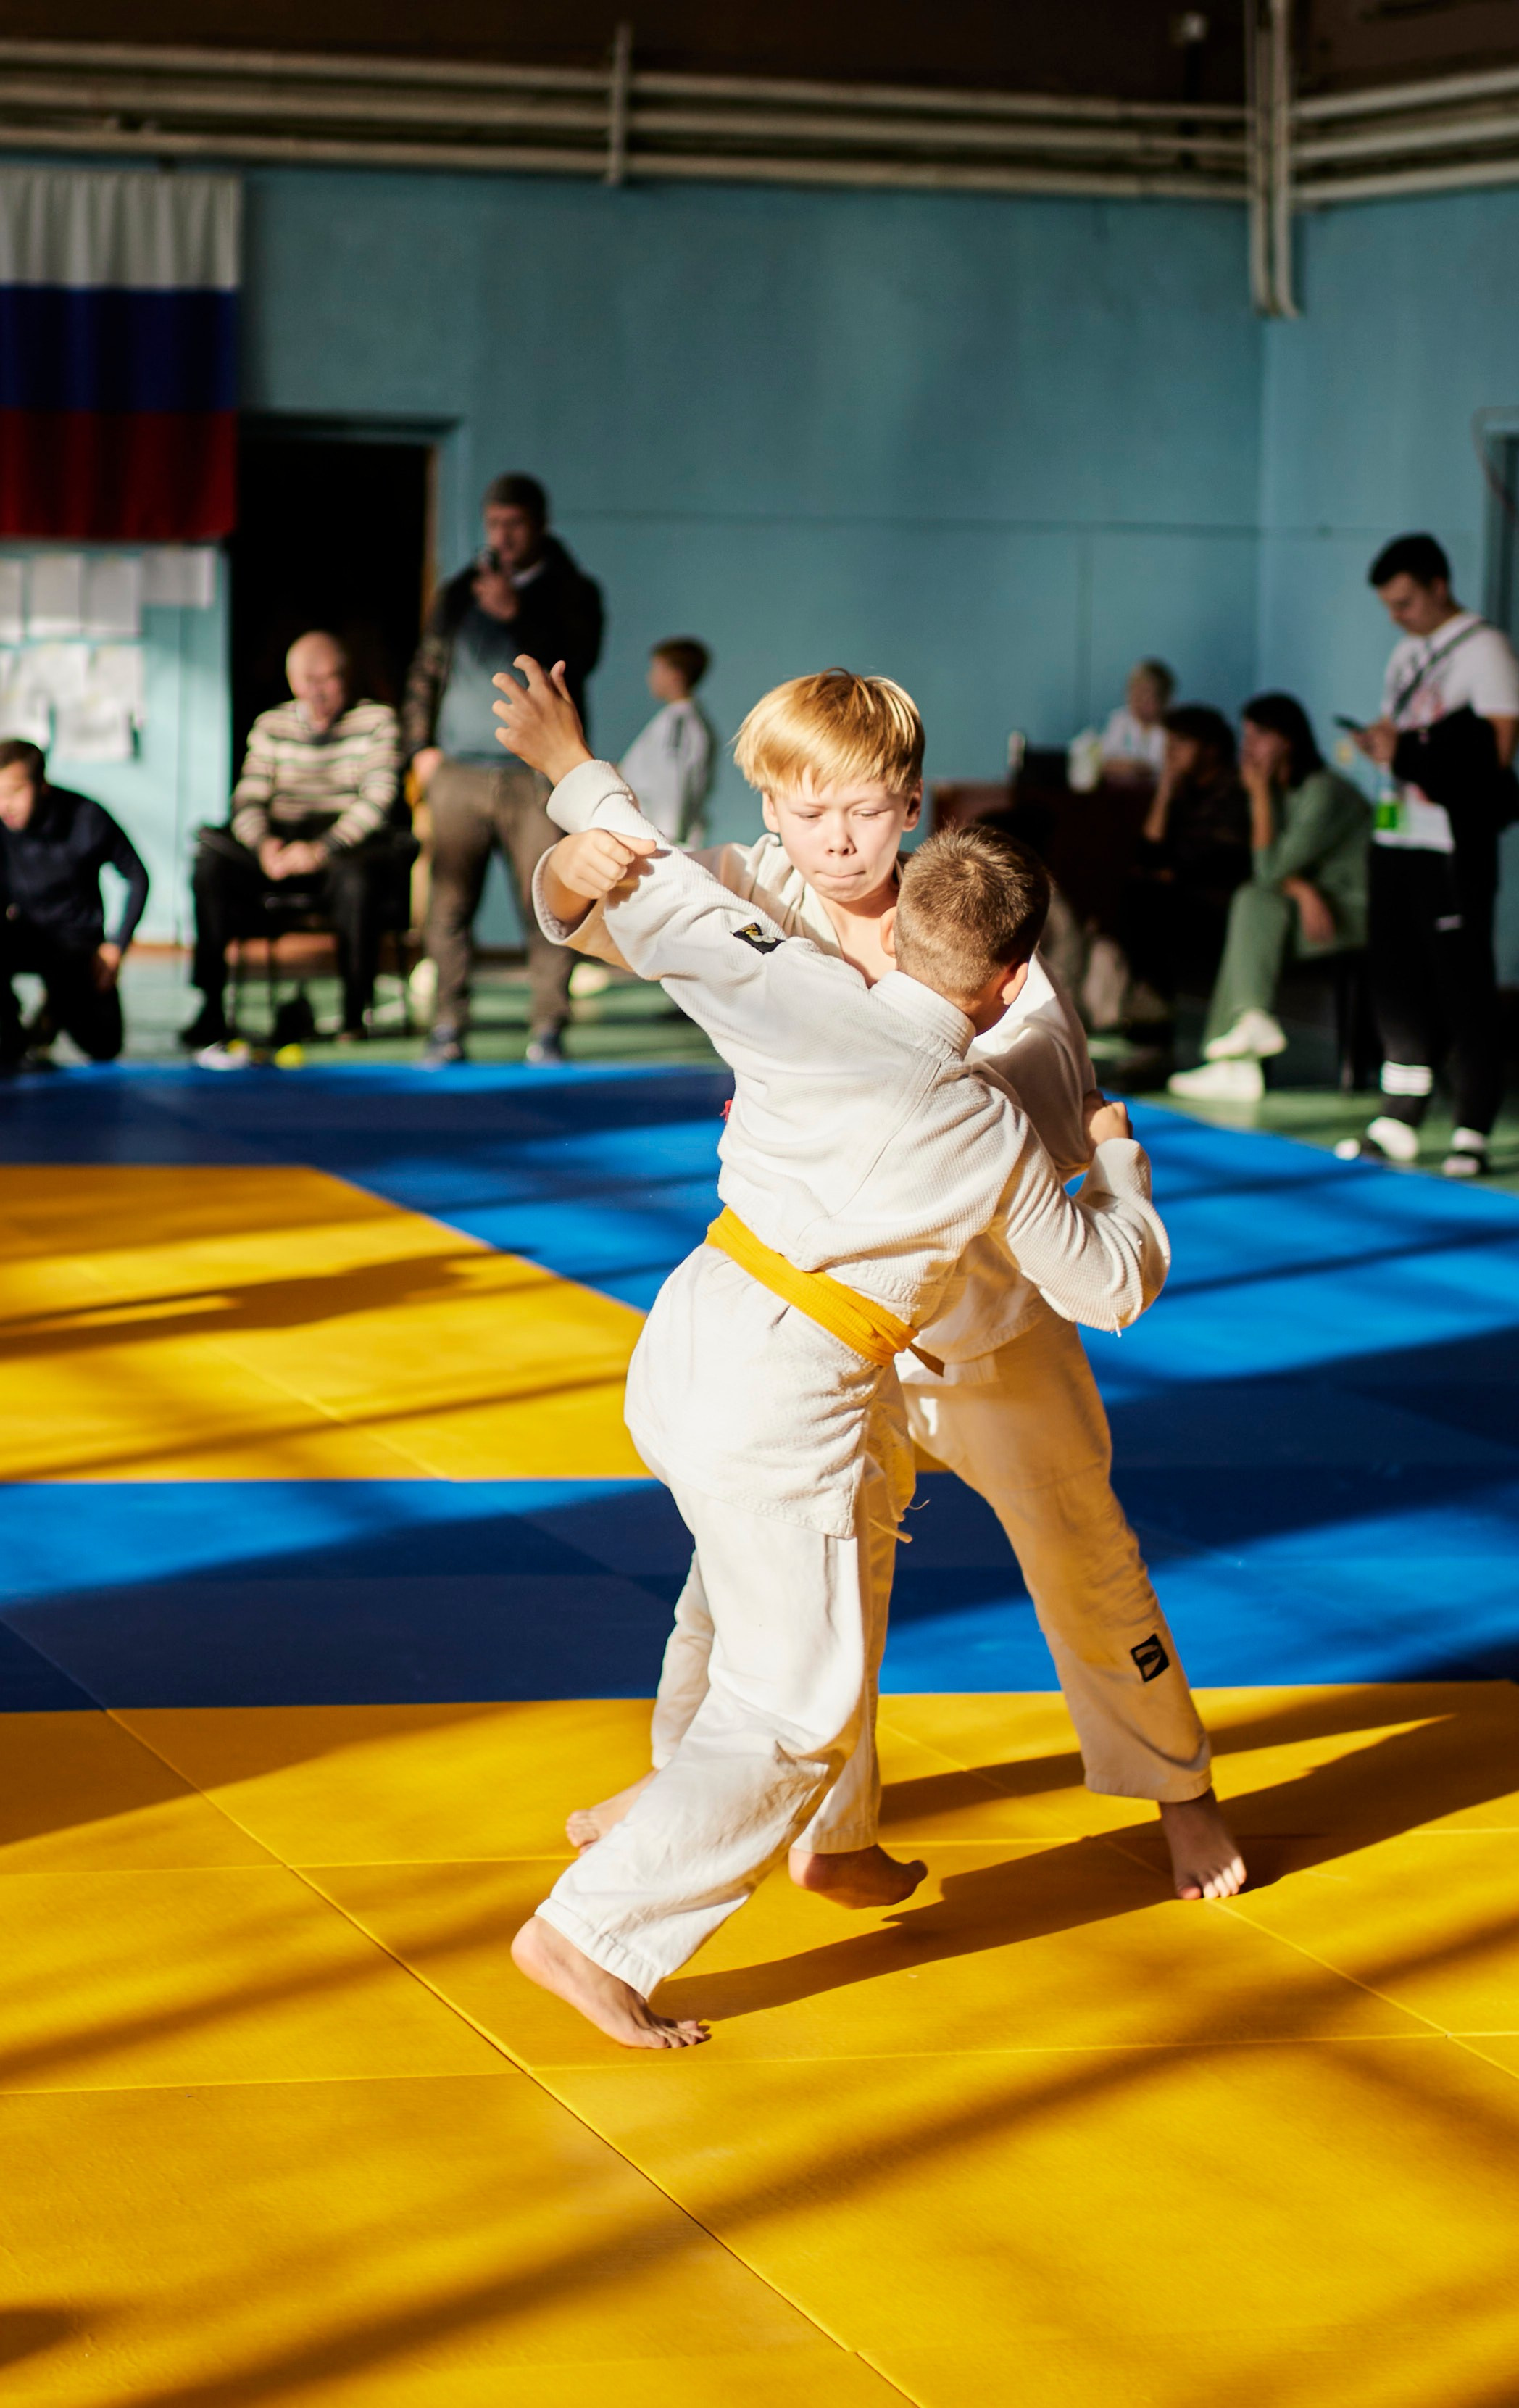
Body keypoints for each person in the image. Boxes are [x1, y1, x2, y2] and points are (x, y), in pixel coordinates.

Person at [553, 669, 1241, 1911]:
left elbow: (1032, 1145)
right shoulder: (752, 885)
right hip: (825, 1342)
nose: (834, 839)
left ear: (911, 807)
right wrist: (572, 861)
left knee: (1083, 1550)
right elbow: (606, 907)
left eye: (864, 812)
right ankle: (784, 1818)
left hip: (988, 1319)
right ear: (767, 807)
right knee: (775, 1575)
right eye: (804, 812)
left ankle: (1179, 1789)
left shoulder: (998, 961)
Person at [404, 473, 604, 1066]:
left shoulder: (574, 590)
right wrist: (420, 747)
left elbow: (580, 661)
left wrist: (518, 614)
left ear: (540, 526)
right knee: (448, 905)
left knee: (547, 902)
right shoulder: (461, 590)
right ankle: (448, 1023)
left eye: (515, 524)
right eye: (494, 524)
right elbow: (426, 669)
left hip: (535, 777)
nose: (503, 536)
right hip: (458, 773)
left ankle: (547, 1027)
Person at [1339, 533, 1519, 1179]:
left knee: (1463, 983)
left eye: (1407, 601)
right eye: (1389, 605)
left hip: (1450, 848)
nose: (1398, 615)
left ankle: (1473, 1121)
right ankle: (1401, 1112)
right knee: (1397, 982)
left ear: (1439, 586)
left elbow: (1491, 760)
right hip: (1397, 836)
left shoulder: (1486, 650)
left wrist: (1409, 752)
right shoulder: (1406, 651)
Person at [183, 632, 407, 1052]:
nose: (318, 692)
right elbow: (248, 798)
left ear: (347, 677)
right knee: (209, 867)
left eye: (329, 679)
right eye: (308, 680)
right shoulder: (272, 725)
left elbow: (377, 800)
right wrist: (264, 845)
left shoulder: (377, 721)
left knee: (361, 881)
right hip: (277, 842)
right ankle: (210, 1006)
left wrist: (322, 850)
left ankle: (353, 1011)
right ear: (292, 681)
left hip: (343, 846)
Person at [1168, 694, 1370, 1103]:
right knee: (1252, 907)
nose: (1249, 747)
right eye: (1246, 736)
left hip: (1349, 912)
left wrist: (1258, 796)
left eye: (1260, 736)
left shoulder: (1324, 792)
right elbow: (1274, 875)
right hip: (1306, 907)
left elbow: (1269, 872)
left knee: (1252, 906)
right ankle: (1246, 1034)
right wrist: (1301, 888)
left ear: (1289, 741)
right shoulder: (1280, 791)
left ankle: (1238, 1059)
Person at [0, 738, 148, 1068]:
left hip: (75, 944)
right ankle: (13, 1035)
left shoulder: (87, 816)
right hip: (21, 933)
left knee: (104, 1043)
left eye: (13, 792)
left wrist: (116, 947)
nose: (4, 805)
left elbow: (138, 877)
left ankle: (54, 1009)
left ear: (42, 785)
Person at [1118, 703, 1251, 1029]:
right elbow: (1149, 853)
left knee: (1147, 896)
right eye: (1169, 742)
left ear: (1211, 750)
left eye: (1181, 743)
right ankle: (1150, 999)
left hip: (1221, 901)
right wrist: (1164, 792)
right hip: (1181, 891)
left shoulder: (1235, 790)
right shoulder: (1184, 791)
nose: (1171, 751)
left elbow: (1221, 858)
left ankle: (1154, 1002)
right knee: (1138, 888)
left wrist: (1171, 873)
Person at [618, 639, 717, 845]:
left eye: (657, 669)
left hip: (660, 842)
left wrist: (667, 843)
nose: (650, 677)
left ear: (675, 676)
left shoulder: (679, 724)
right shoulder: (675, 721)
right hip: (655, 838)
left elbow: (673, 785)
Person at [1100, 658, 1175, 783]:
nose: (1137, 699)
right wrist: (1137, 768)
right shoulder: (1120, 720)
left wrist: (1138, 768)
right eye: (1134, 691)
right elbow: (1105, 763)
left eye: (1145, 693)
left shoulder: (1173, 727)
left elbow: (1171, 770)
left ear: (1164, 697)